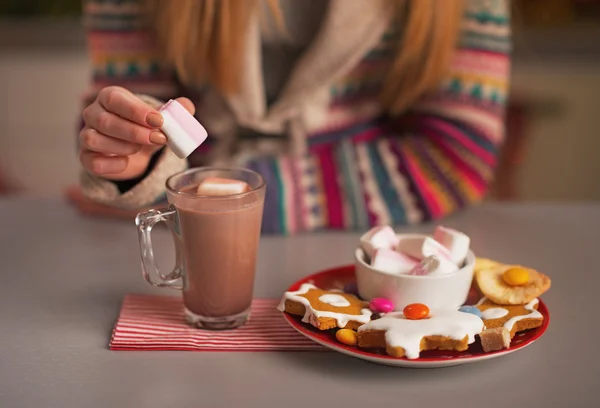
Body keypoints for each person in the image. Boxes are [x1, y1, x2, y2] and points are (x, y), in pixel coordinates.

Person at [72, 0, 511, 234]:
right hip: (186, 243)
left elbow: (455, 157)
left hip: (371, 248)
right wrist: (132, 162)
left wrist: (210, 200)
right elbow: (133, 106)